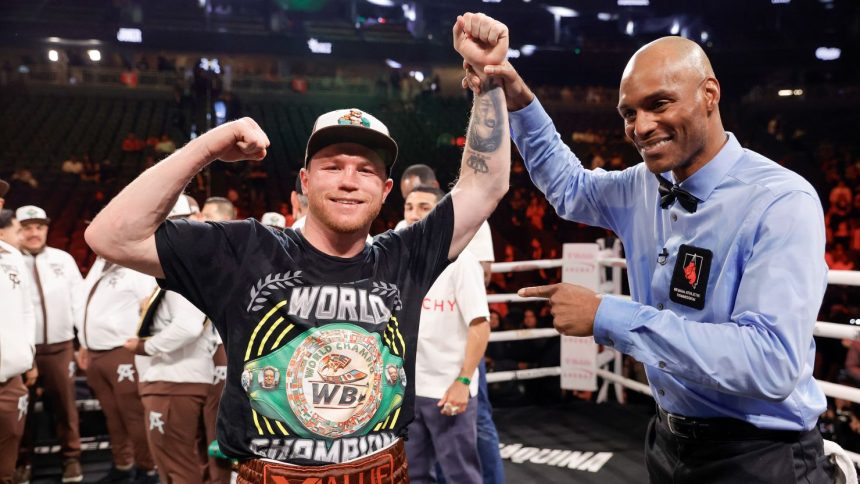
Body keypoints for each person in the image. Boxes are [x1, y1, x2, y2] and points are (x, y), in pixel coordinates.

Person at [83, 15, 510, 480]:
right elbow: (110, 236)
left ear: (386, 189)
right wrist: (206, 148)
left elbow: (485, 187)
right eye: (333, 166)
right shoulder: (245, 248)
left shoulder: (404, 254)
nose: (349, 181)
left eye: (365, 169)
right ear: (305, 182)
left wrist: (487, 80)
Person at [460, 12, 834, 483]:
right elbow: (570, 187)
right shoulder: (643, 184)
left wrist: (606, 316)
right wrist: (517, 97)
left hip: (759, 456)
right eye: (629, 114)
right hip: (665, 440)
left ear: (709, 96)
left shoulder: (781, 200)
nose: (641, 126)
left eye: (659, 104)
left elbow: (770, 361)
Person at [395, 164, 504, 484]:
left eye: (424, 208)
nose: (414, 215)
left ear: (439, 213)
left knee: (460, 474)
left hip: (447, 388)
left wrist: (464, 381)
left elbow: (479, 325)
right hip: (409, 390)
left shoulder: (463, 261)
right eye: (409, 207)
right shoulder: (398, 255)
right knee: (414, 475)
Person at [123, 195, 214, 483]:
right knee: (182, 463)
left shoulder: (184, 269)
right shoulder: (184, 265)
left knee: (176, 467)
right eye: (166, 226)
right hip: (175, 378)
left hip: (175, 379)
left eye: (178, 225)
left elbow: (188, 327)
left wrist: (146, 346)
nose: (173, 234)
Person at [15, 205, 84, 483]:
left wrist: (83, 343)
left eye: (39, 227)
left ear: (46, 228)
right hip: (22, 351)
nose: (34, 233)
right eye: (27, 227)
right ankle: (21, 461)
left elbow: (78, 302)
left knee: (66, 407)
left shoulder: (63, 260)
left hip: (60, 346)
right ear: (16, 230)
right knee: (22, 410)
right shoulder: (7, 261)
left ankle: (71, 459)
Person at [76, 255, 158, 482]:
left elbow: (148, 307)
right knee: (112, 415)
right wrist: (84, 342)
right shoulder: (100, 263)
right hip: (95, 351)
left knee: (133, 415)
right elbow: (86, 305)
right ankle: (123, 465)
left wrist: (142, 344)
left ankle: (148, 469)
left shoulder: (136, 264)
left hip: (123, 350)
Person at [197, 196, 236, 484]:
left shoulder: (238, 260)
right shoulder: (199, 258)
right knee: (205, 431)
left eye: (206, 216)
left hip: (227, 351)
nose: (199, 221)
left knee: (224, 427)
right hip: (201, 357)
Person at [0, 209, 37, 484]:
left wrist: (28, 354)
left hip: (11, 373)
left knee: (11, 440)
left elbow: (27, 311)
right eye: (17, 230)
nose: (22, 235)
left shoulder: (13, 257)